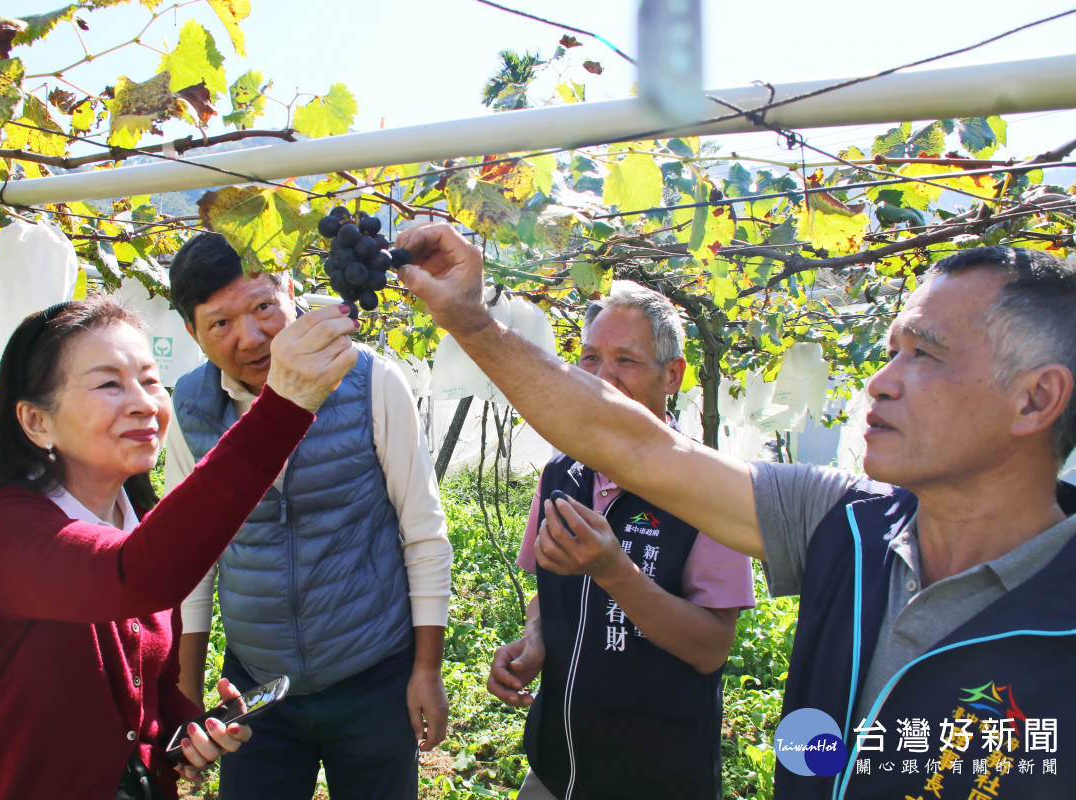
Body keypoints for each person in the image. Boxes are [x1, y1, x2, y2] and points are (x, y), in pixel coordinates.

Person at [397, 225, 1076, 800]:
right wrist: (471, 320)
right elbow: (628, 441)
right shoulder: (843, 524)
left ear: (1035, 399)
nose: (880, 380)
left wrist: (615, 572)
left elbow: (707, 641)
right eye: (891, 349)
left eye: (923, 353)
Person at [0, 295, 360, 800]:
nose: (145, 402)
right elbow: (131, 577)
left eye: (150, 380)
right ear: (37, 421)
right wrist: (283, 407)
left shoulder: (140, 526)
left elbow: (153, 688)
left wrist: (186, 731)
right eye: (108, 383)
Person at [165, 232, 453, 800]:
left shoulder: (371, 381)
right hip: (255, 685)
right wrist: (187, 696)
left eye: (263, 307)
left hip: (373, 676)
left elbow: (423, 534)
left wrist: (426, 670)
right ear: (192, 334)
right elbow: (190, 559)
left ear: (291, 292)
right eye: (219, 324)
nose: (251, 337)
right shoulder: (190, 408)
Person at [486, 281, 754, 800]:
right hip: (554, 766)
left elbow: (711, 648)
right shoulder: (561, 473)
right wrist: (536, 637)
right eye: (589, 358)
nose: (602, 378)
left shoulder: (709, 489)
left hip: (657, 778)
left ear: (671, 375)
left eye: (626, 360)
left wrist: (615, 572)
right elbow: (548, 590)